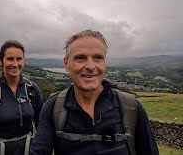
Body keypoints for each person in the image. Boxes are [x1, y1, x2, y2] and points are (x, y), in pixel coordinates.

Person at [30, 30, 159, 155]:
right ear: (66, 63)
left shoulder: (131, 107)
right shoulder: (53, 108)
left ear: (105, 62)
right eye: (80, 58)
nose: (91, 66)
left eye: (98, 58)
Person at [0, 40, 44, 155]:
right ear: (2, 61)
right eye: (10, 59)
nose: (15, 64)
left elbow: (42, 125)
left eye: (19, 59)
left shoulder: (31, 89)